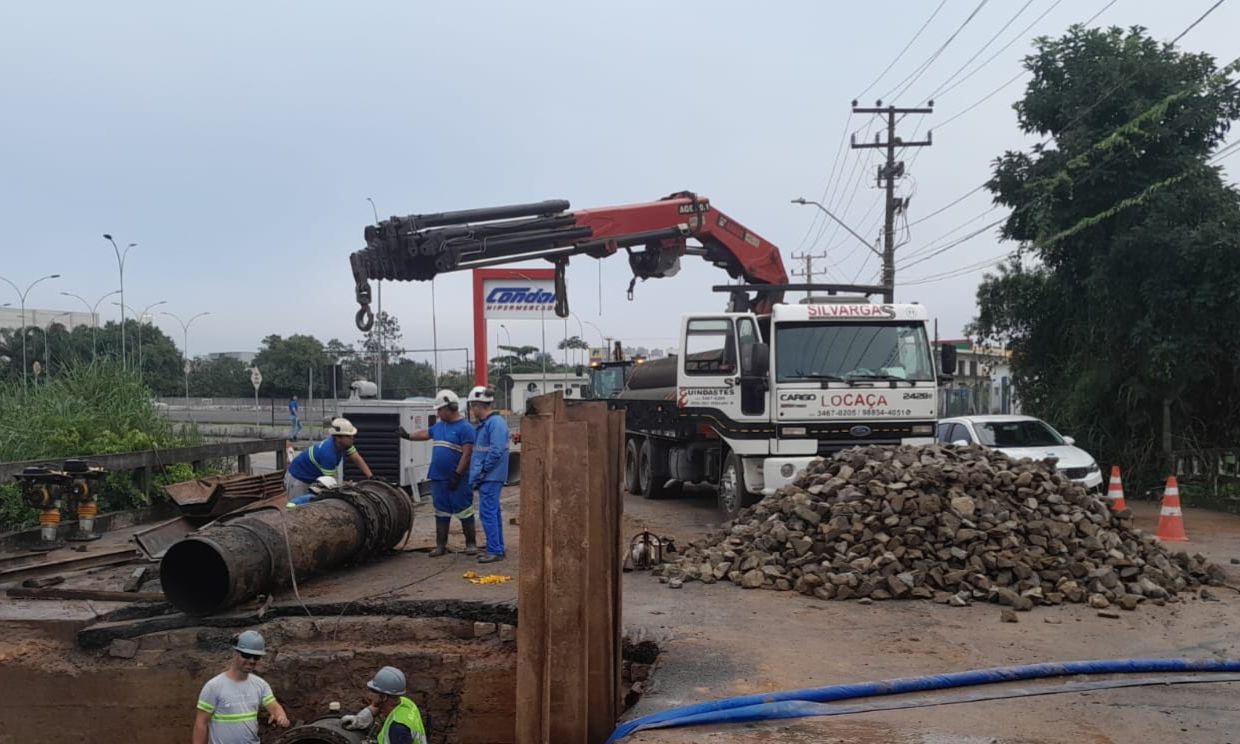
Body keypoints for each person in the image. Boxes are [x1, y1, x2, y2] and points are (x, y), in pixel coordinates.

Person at [398, 390, 476, 557]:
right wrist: (407, 436)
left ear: (450, 408)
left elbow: (467, 453)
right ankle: (441, 545)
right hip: (438, 477)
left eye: (440, 410)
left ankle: (471, 543)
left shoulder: (466, 428)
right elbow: (426, 433)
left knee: (464, 510)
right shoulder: (440, 426)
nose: (438, 413)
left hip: (457, 479)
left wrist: (458, 474)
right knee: (441, 510)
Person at [193, 630, 289, 744]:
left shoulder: (260, 685)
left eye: (256, 657)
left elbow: (274, 706)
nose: (251, 661)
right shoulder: (214, 687)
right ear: (235, 653)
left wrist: (281, 716)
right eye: (246, 655)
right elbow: (201, 723)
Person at [284, 417, 374, 500]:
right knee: (298, 508)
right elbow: (331, 484)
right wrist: (347, 486)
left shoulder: (345, 444)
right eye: (348, 436)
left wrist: (371, 476)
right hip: (298, 479)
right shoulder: (328, 453)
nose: (352, 438)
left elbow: (357, 458)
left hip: (309, 477)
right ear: (338, 438)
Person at [467, 385, 509, 563]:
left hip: (491, 476)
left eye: (472, 406)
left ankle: (495, 550)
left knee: (488, 513)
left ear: (478, 406)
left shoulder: (495, 423)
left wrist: (483, 471)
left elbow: (496, 451)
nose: (471, 410)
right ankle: (497, 547)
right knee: (492, 512)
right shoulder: (489, 424)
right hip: (489, 475)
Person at [340, 666, 427, 744]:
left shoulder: (398, 729)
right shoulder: (406, 703)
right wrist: (359, 720)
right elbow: (376, 707)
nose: (371, 695)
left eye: (374, 692)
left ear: (384, 697)